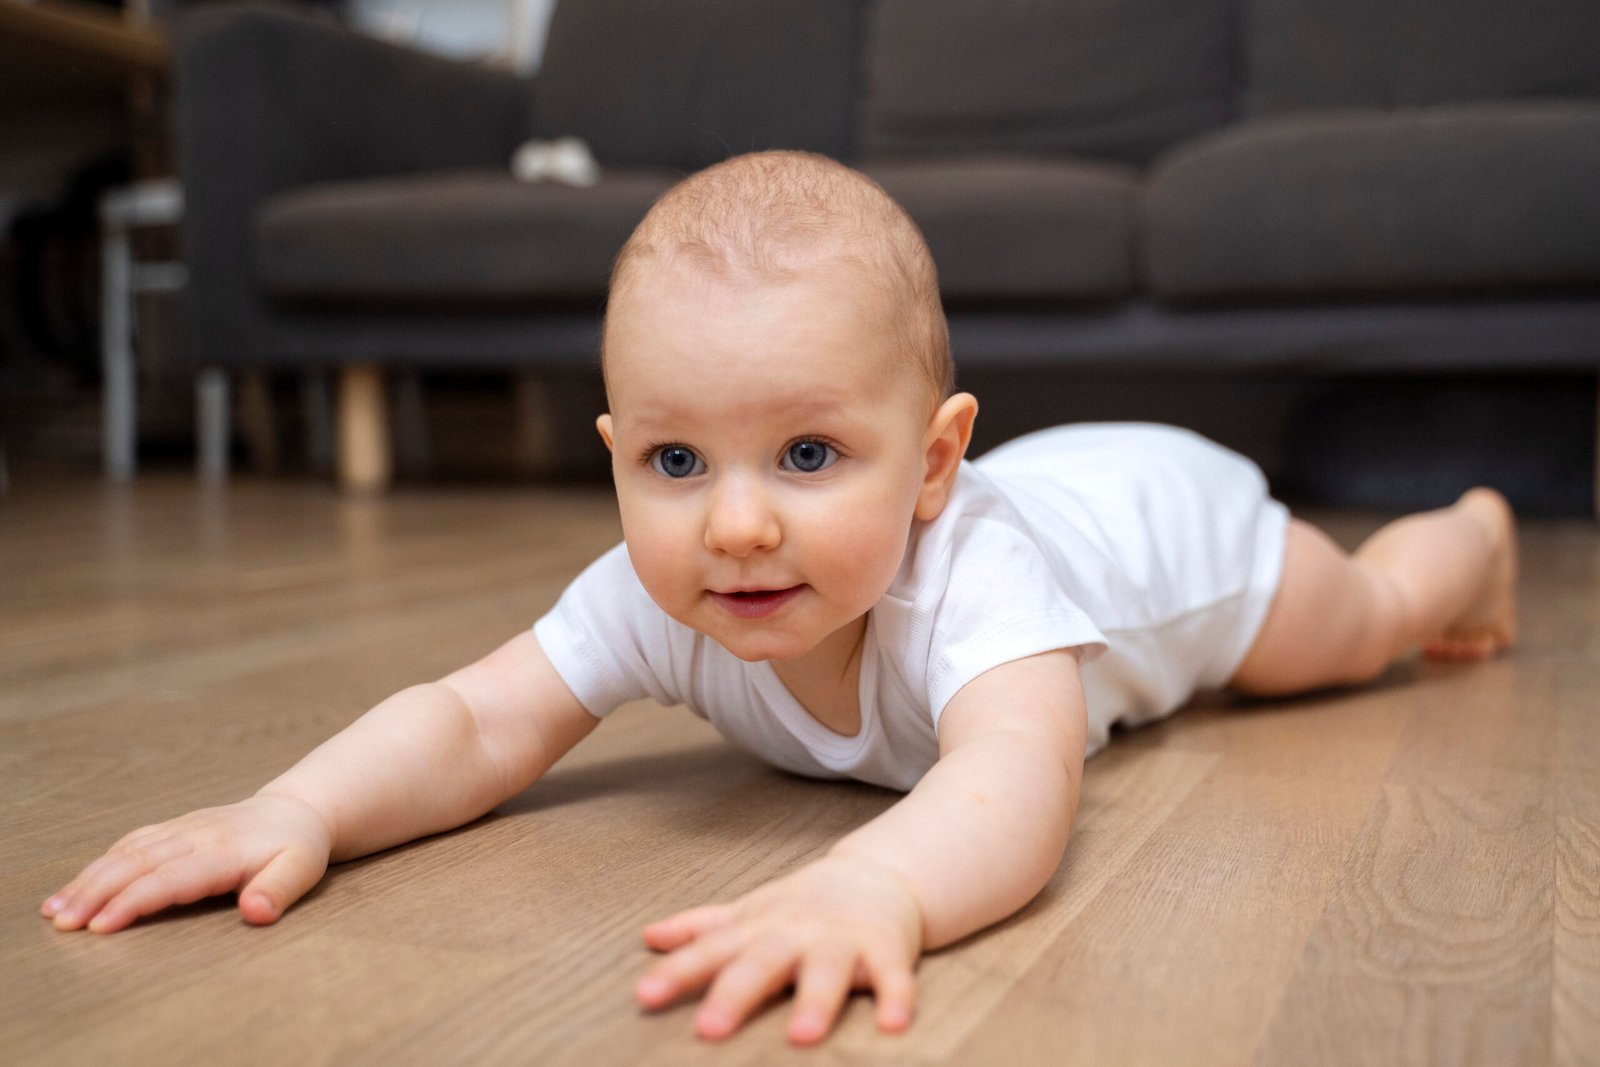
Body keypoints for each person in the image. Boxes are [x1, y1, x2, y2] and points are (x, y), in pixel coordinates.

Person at [41, 151, 1517, 1046]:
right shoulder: (655, 584)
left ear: (935, 469)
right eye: (678, 458)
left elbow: (1019, 776)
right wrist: (300, 809)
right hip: (1067, 487)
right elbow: (476, 721)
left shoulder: (975, 577)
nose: (737, 522)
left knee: (1362, 629)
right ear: (617, 459)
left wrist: (877, 880)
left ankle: (1470, 528)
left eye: (810, 454)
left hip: (1176, 537)